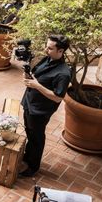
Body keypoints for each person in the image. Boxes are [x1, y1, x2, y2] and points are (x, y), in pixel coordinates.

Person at [19, 35, 71, 177]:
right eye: (46, 46)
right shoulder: (47, 59)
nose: (45, 49)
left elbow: (57, 97)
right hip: (30, 102)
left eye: (50, 48)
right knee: (30, 132)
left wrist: (37, 85)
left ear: (60, 51)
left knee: (37, 137)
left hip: (40, 110)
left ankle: (33, 166)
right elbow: (35, 75)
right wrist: (27, 73)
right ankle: (27, 156)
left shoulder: (64, 73)